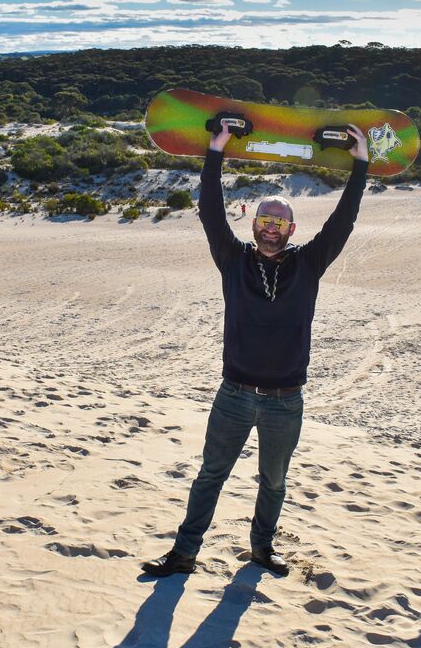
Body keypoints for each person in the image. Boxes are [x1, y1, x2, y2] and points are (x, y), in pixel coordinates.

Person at [141, 122, 370, 577]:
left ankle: (262, 548)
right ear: (255, 223)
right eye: (264, 220)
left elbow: (342, 221)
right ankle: (184, 553)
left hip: (286, 399)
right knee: (211, 475)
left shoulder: (309, 264)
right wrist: (215, 152)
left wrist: (361, 163)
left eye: (279, 221)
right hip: (234, 394)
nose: (270, 228)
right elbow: (209, 212)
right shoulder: (233, 259)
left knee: (275, 482)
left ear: (291, 228)